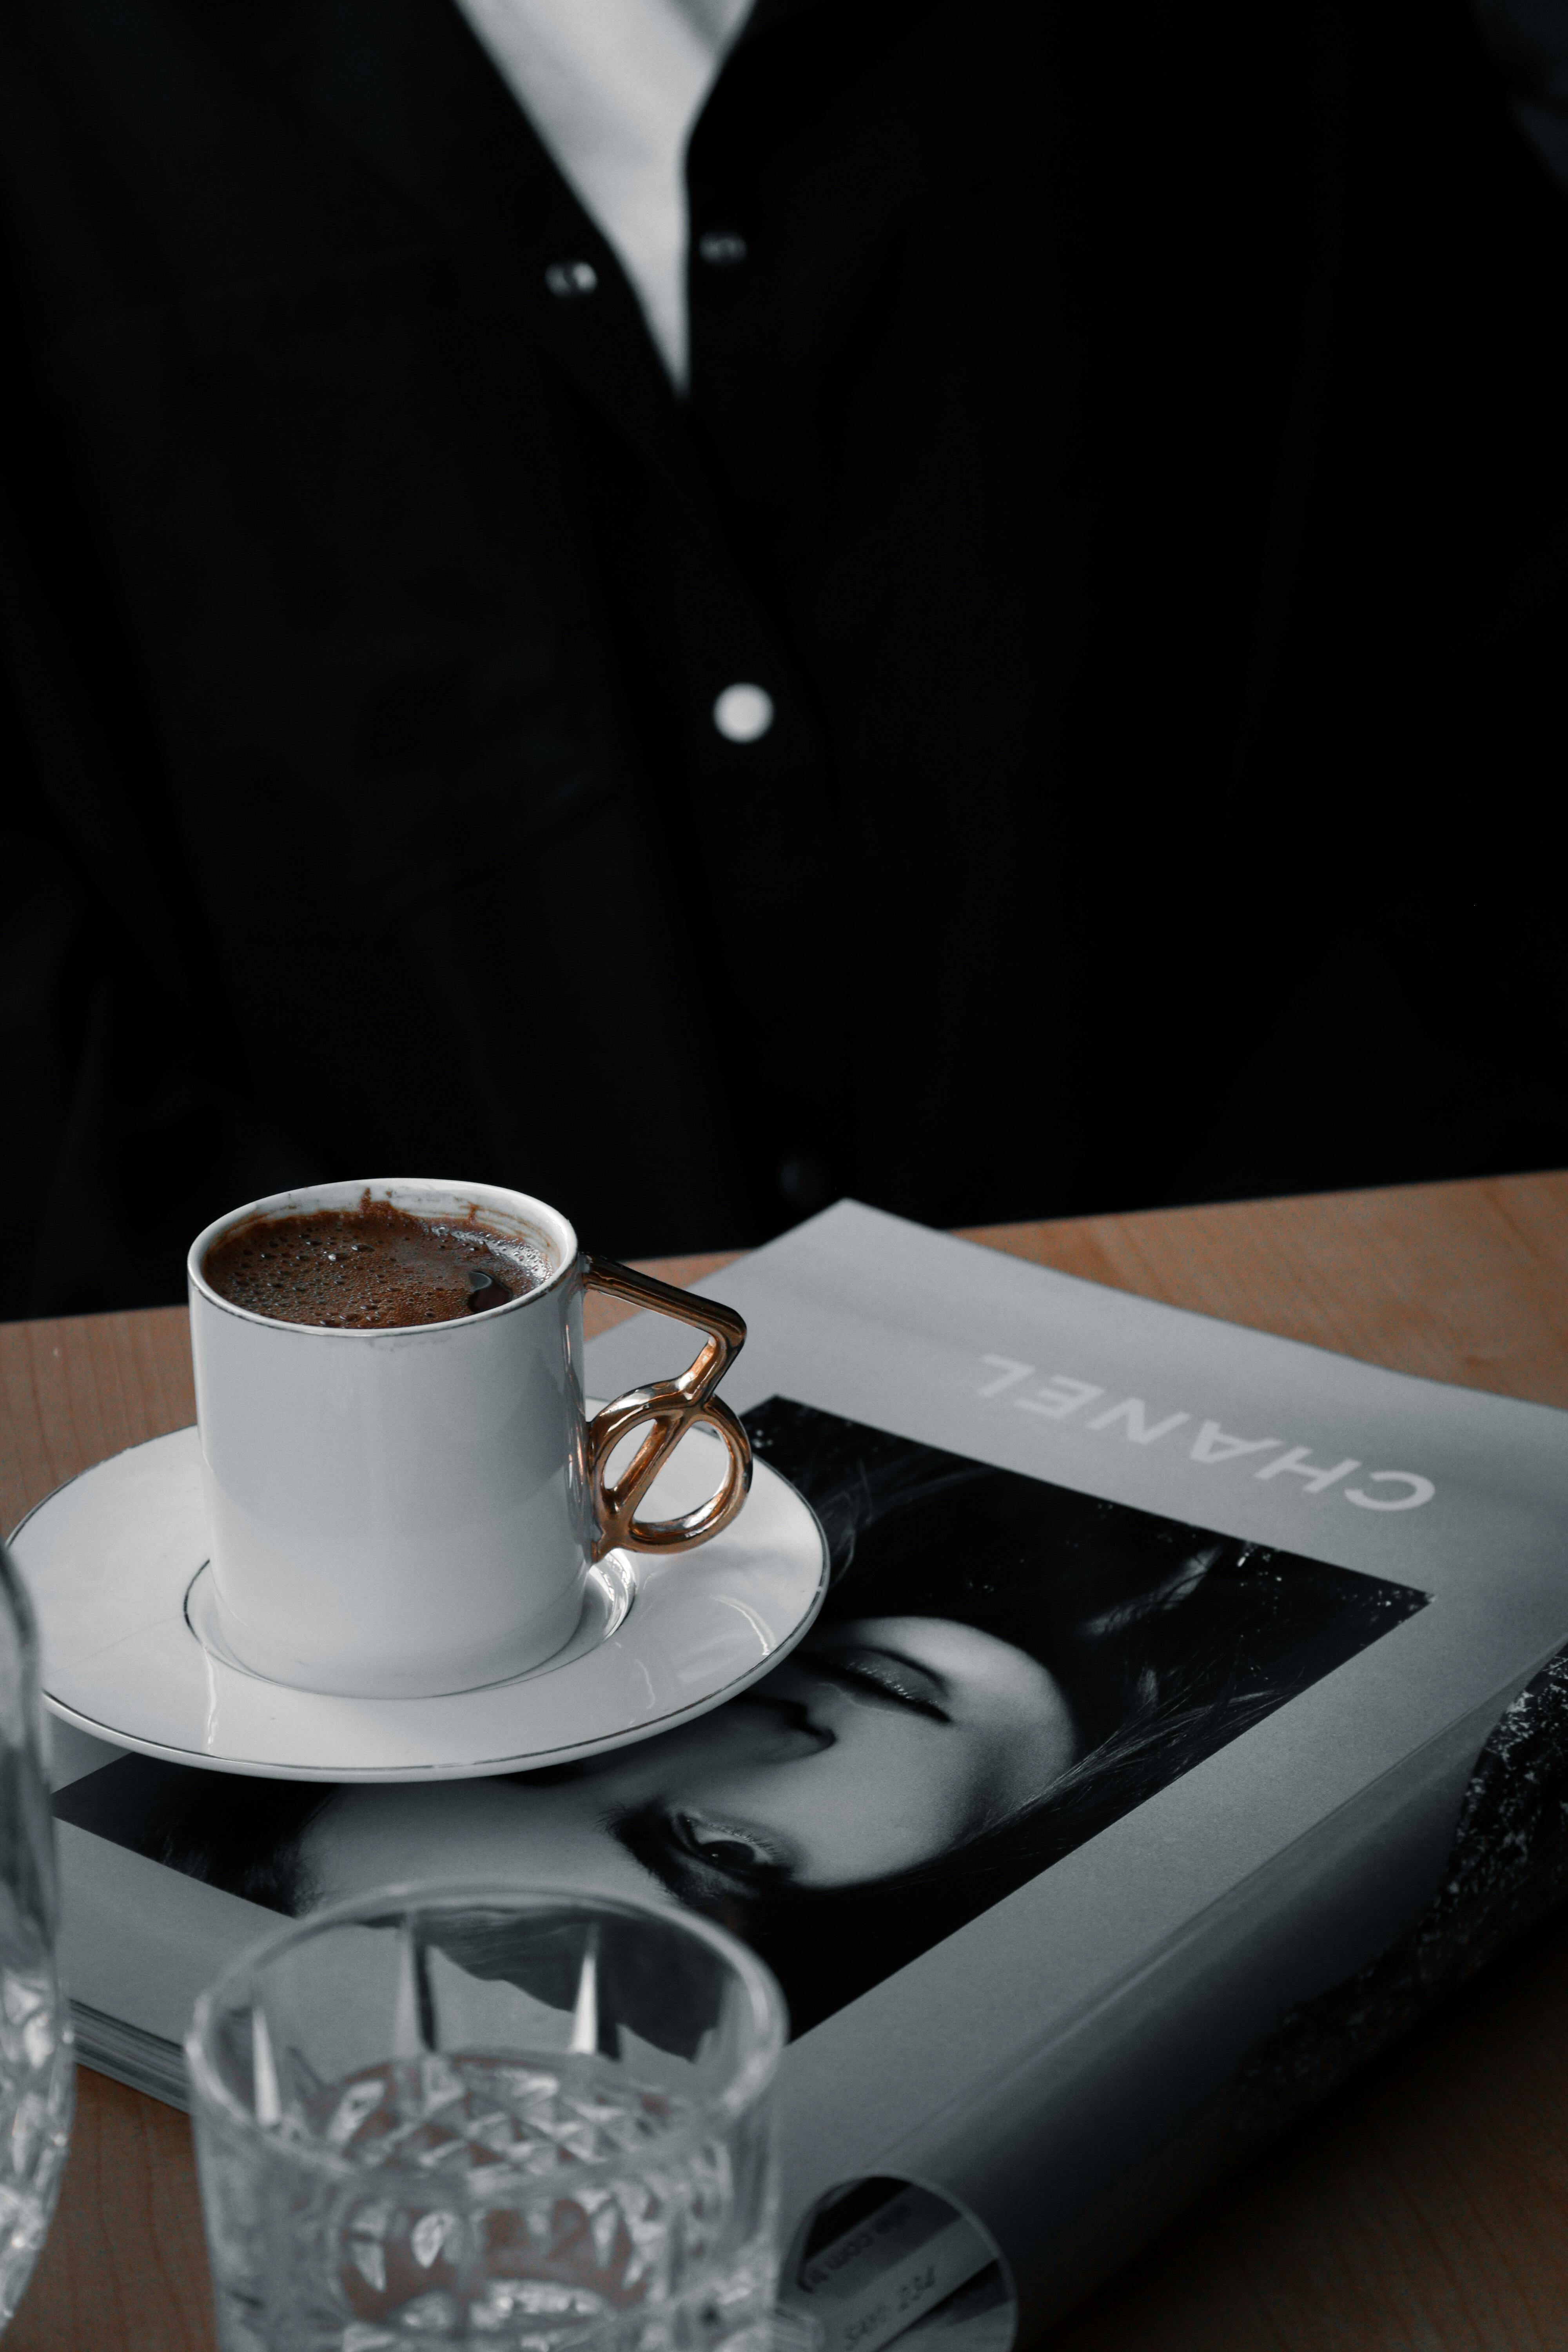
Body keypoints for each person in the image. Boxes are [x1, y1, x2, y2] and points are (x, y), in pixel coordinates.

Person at [3, 0, 1566, 1319]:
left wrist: (1232, 1300)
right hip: (316, 1485)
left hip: (1256, 1383)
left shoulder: (1267, 47)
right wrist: (367, 1415)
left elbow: (1495, 677)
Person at [60, 1401, 1425, 2030]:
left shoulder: (705, 1472)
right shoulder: (1341, 1762)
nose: (736, 1724)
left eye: (555, 1751)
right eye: (718, 1848)